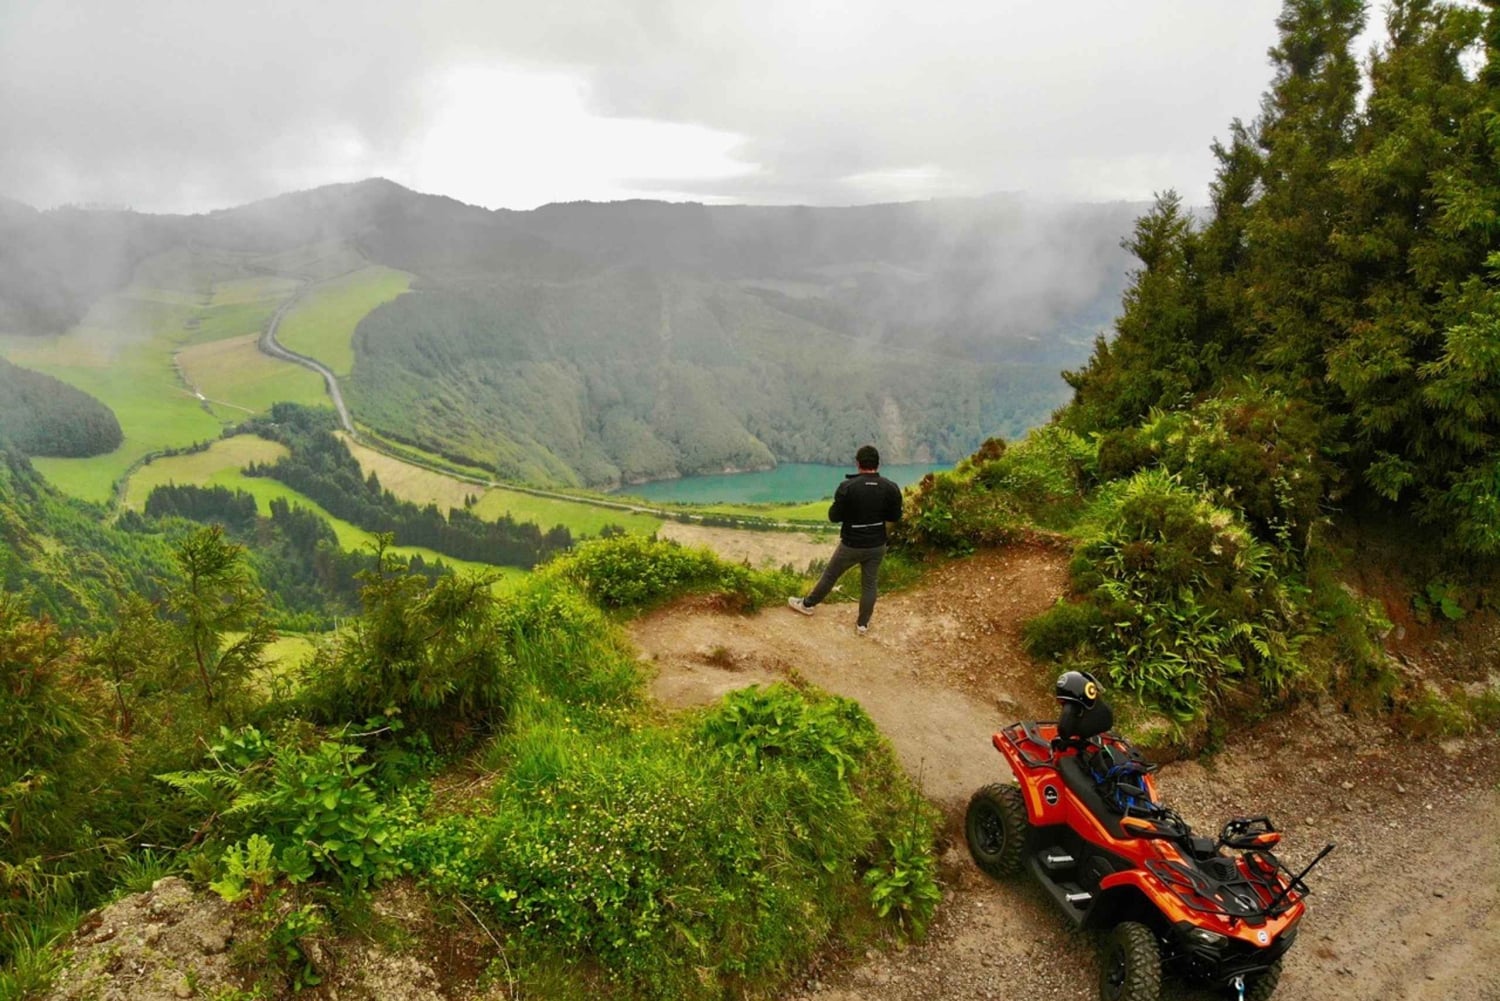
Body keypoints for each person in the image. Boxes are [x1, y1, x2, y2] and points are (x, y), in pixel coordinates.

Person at [788, 444, 903, 635]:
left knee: (831, 575)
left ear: (858, 464)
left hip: (851, 544)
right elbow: (895, 517)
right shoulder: (891, 487)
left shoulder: (847, 487)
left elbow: (834, 516)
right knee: (869, 583)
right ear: (877, 464)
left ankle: (807, 605)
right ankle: (863, 625)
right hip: (877, 545)